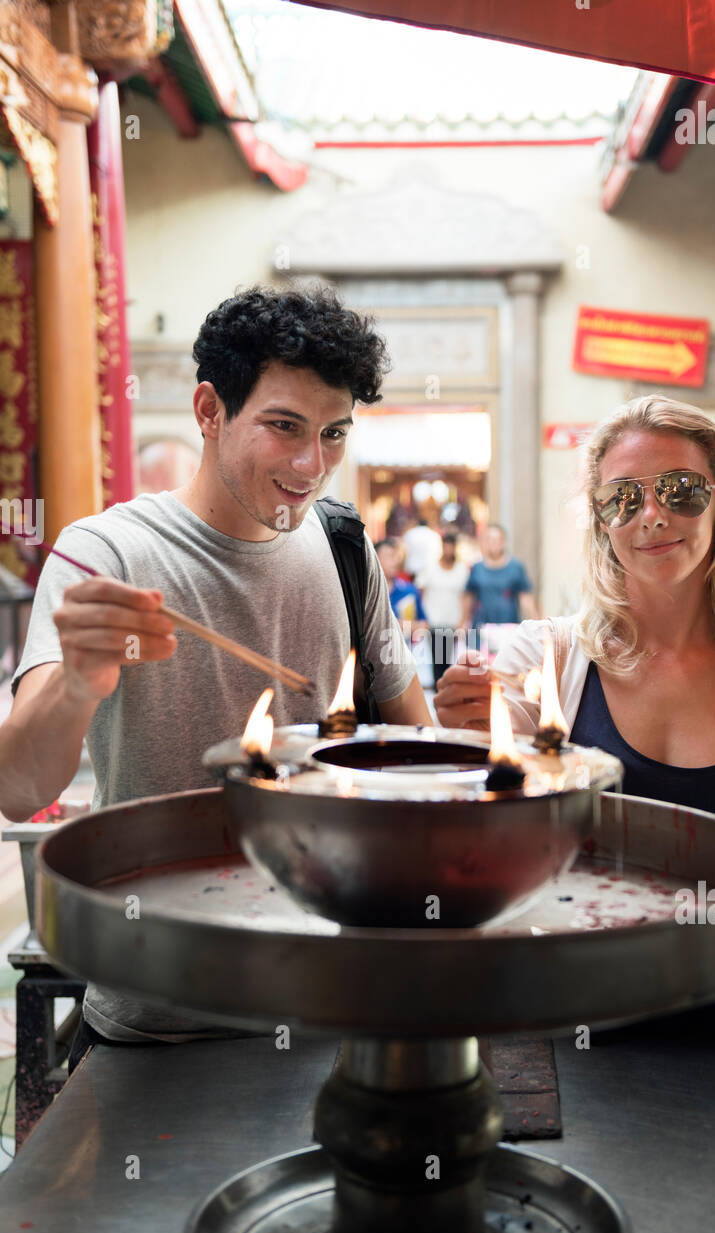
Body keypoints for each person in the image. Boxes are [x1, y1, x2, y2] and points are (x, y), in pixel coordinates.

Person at [0, 283, 430, 1067]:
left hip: (335, 1007)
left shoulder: (341, 546)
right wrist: (76, 683)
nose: (312, 465)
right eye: (284, 427)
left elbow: (420, 752)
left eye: (333, 433)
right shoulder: (108, 555)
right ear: (209, 410)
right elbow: (20, 789)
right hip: (159, 1017)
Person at [436, 395, 715, 1126]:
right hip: (585, 1039)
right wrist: (468, 742)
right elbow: (484, 853)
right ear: (601, 522)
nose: (650, 516)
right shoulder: (546, 658)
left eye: (679, 491)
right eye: (622, 499)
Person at [461, 523, 537, 639]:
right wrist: (463, 622)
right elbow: (468, 597)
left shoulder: (516, 567)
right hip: (481, 628)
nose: (494, 543)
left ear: (504, 542)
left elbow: (525, 598)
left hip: (508, 628)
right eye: (490, 540)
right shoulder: (477, 568)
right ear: (485, 542)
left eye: (497, 540)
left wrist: (535, 624)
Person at [417, 531, 469, 686]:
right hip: (433, 622)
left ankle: (444, 691)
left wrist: (462, 621)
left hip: (452, 622)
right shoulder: (430, 567)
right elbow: (420, 591)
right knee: (436, 659)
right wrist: (421, 618)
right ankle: (438, 689)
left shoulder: (461, 570)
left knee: (447, 659)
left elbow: (465, 597)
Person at [375, 537, 429, 637]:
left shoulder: (409, 590)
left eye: (397, 556)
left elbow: (424, 625)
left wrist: (400, 625)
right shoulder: (367, 593)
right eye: (390, 556)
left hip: (404, 649)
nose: (395, 561)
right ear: (375, 559)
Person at [401, 515, 442, 581]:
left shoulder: (410, 533)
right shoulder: (434, 535)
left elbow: (404, 551)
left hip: (412, 567)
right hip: (428, 568)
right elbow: (439, 552)